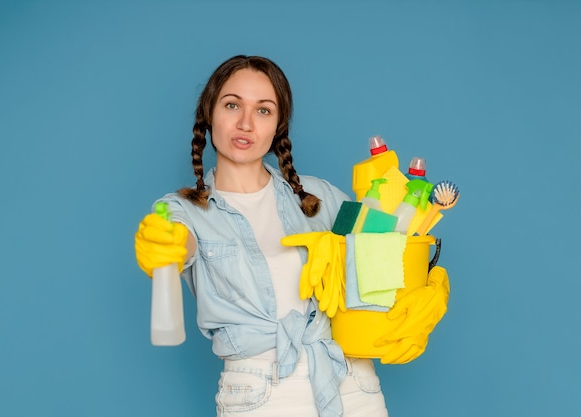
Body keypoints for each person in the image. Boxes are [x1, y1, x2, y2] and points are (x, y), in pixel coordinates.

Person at [135, 55, 390, 417]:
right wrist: (167, 244)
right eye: (232, 105)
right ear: (209, 113)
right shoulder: (184, 210)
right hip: (260, 394)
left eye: (263, 111)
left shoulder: (322, 199)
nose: (245, 123)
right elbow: (181, 242)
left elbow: (383, 250)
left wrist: (413, 280)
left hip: (351, 382)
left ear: (278, 125)